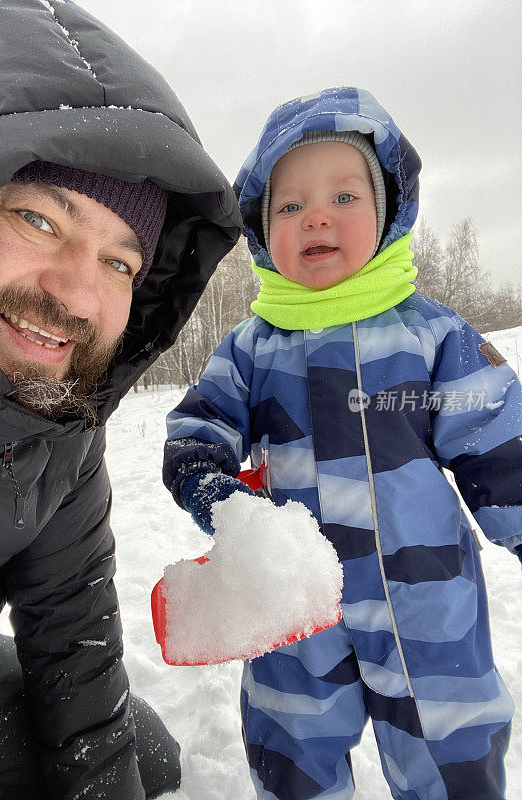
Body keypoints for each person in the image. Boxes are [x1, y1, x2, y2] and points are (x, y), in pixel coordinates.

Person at [162, 86, 522, 799]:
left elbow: (502, 452)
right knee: (293, 756)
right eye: (289, 206)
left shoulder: (432, 336)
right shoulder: (252, 348)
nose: (315, 215)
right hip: (295, 607)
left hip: (428, 613)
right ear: (265, 232)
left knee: (451, 758)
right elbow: (196, 433)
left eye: (344, 197)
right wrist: (221, 496)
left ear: (388, 211)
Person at [0, 0, 241, 798]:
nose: (75, 293)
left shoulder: (58, 426)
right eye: (38, 219)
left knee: (137, 757)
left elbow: (72, 629)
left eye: (120, 263)